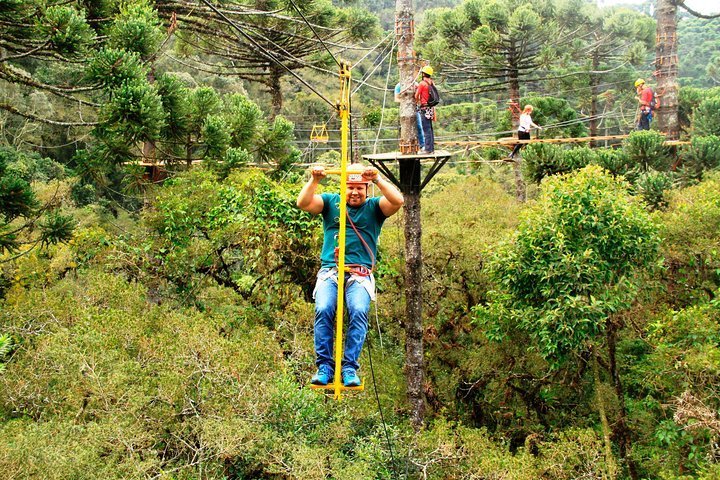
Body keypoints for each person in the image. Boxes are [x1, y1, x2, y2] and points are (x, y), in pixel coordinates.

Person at [296, 163, 404, 387]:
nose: (354, 192)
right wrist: (314, 180)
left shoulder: (374, 208)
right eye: (350, 187)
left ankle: (349, 368)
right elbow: (303, 202)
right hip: (331, 271)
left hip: (359, 274)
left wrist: (377, 179)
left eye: (360, 188)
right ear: (343, 187)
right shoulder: (330, 202)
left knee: (358, 310)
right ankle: (324, 366)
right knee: (324, 308)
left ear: (366, 189)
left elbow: (397, 201)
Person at [395, 81, 425, 150]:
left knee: (419, 126)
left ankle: (422, 145)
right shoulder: (399, 86)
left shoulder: (416, 85)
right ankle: (406, 146)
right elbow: (396, 99)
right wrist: (406, 100)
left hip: (415, 109)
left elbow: (419, 97)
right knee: (404, 128)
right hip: (404, 110)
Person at [414, 65, 436, 154]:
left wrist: (418, 101)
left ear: (423, 74)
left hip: (424, 108)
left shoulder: (422, 83)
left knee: (426, 129)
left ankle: (427, 150)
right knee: (430, 129)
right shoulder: (431, 83)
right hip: (430, 108)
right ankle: (431, 148)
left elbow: (416, 96)